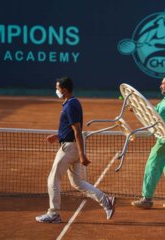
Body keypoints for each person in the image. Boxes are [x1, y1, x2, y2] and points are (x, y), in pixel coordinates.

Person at [35, 77, 115, 223]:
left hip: (69, 148)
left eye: (58, 88)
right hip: (71, 146)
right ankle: (106, 201)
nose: (56, 91)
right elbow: (70, 129)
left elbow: (77, 130)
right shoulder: (71, 103)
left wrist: (82, 154)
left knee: (52, 180)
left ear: (64, 90)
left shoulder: (71, 105)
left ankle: (53, 214)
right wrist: (58, 135)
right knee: (77, 183)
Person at [131, 75, 165, 209]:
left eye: (163, 84)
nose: (160, 86)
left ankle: (147, 198)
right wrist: (136, 110)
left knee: (153, 163)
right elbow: (151, 114)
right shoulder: (164, 101)